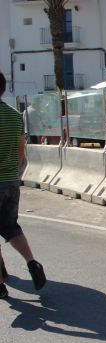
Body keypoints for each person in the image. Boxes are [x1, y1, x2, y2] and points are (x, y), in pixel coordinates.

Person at [0, 72, 46, 299]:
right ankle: (31, 262)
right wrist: (11, 172)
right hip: (10, 181)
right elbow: (21, 151)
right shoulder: (14, 115)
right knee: (11, 227)